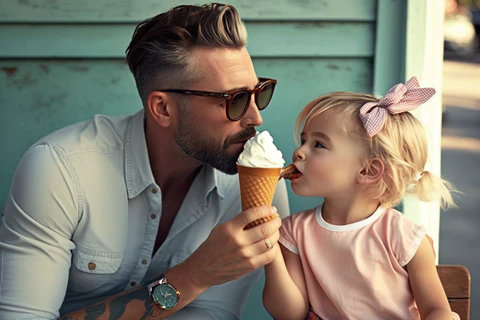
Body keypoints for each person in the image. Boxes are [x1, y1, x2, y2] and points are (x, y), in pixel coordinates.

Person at [0, 3, 289, 319]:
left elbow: (209, 315)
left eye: (258, 92)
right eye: (235, 100)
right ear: (163, 109)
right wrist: (194, 275)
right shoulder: (60, 169)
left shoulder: (253, 181)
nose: (256, 117)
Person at [262, 77, 459, 320]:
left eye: (319, 144)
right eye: (304, 141)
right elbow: (290, 314)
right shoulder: (292, 232)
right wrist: (268, 248)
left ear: (368, 171)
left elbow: (437, 310)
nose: (298, 152)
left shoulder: (404, 238)